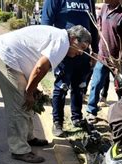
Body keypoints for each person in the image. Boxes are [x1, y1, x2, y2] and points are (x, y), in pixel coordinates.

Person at [0, 25, 91, 163]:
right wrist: (30, 91)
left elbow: (37, 66)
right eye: (82, 48)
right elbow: (40, 68)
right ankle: (19, 150)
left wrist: (33, 89)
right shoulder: (62, 43)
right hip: (4, 54)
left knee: (30, 99)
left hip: (12, 57)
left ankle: (28, 137)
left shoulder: (62, 39)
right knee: (21, 102)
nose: (81, 53)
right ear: (73, 39)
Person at [41, 0, 99, 137]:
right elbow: (46, 24)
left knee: (79, 87)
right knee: (61, 87)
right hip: (63, 52)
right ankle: (57, 122)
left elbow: (93, 24)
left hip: (83, 53)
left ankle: (77, 117)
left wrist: (95, 51)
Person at [86, 0, 122, 124]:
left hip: (118, 61)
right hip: (103, 57)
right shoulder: (105, 8)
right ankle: (91, 112)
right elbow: (99, 29)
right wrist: (95, 50)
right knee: (96, 84)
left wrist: (120, 60)